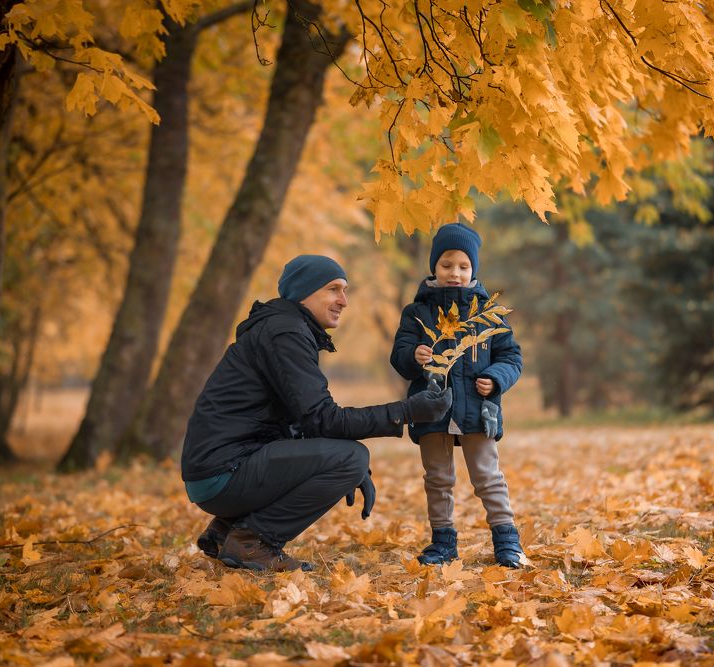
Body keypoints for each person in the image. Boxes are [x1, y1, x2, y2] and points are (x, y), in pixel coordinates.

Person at [182, 255, 453, 572]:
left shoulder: (285, 329)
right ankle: (251, 540)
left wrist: (339, 464)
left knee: (348, 459)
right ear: (304, 292)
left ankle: (223, 530)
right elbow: (323, 418)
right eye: (334, 289)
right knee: (351, 457)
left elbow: (302, 421)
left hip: (216, 469)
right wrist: (407, 411)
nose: (343, 301)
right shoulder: (286, 334)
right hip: (221, 473)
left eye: (345, 290)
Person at [390, 223, 525, 567]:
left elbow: (511, 357)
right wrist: (414, 357)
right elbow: (400, 356)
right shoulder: (417, 312)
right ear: (434, 266)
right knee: (438, 478)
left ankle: (507, 539)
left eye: (464, 266)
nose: (455, 273)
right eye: (447, 264)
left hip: (479, 410)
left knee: (488, 476)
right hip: (432, 409)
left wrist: (495, 379)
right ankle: (443, 542)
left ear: (473, 269)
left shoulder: (488, 314)